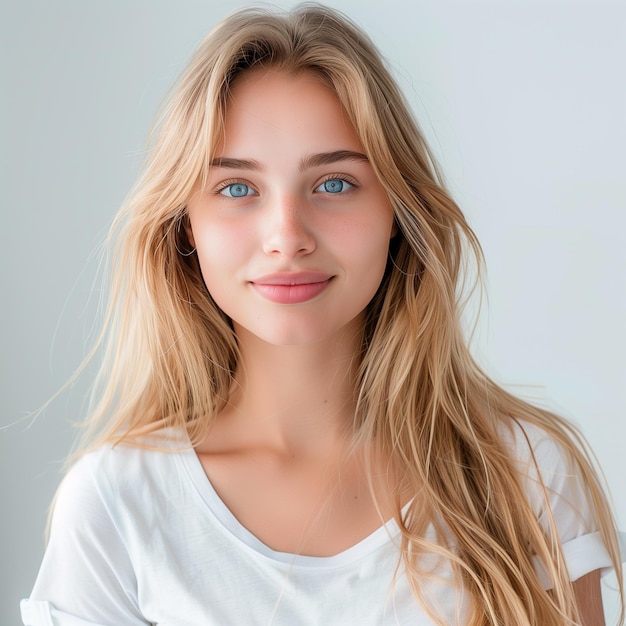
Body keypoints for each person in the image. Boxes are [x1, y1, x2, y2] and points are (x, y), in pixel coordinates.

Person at [21, 4, 624, 625]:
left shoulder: (525, 472)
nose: (287, 236)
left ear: (399, 213)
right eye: (236, 188)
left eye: (334, 183)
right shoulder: (116, 506)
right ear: (185, 227)